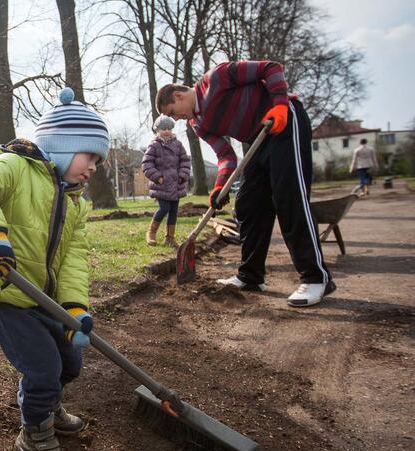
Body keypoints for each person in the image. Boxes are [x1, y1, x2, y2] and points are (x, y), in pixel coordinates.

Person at [0, 87, 108, 451]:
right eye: (89, 155)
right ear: (61, 143)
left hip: (51, 302)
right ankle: (34, 434)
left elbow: (74, 258)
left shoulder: (76, 202)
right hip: (12, 294)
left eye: (97, 161)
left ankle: (48, 406)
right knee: (42, 368)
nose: (93, 167)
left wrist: (75, 309)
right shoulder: (15, 165)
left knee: (70, 365)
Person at [156, 60, 335, 307]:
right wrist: (220, 187)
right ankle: (250, 276)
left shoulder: (216, 78)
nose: (175, 118)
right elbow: (226, 156)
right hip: (258, 140)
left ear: (178, 96)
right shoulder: (197, 123)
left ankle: (316, 278)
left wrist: (281, 106)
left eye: (172, 113)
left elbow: (271, 68)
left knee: (288, 198)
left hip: (284, 123)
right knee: (248, 205)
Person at [141, 115, 191, 247]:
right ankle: (151, 233)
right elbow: (147, 164)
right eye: (163, 128)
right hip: (161, 184)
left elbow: (185, 161)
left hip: (176, 183)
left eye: (169, 128)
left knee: (174, 211)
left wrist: (182, 175)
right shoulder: (154, 145)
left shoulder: (178, 144)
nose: (167, 131)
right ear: (157, 130)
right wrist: (158, 177)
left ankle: (170, 237)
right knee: (164, 208)